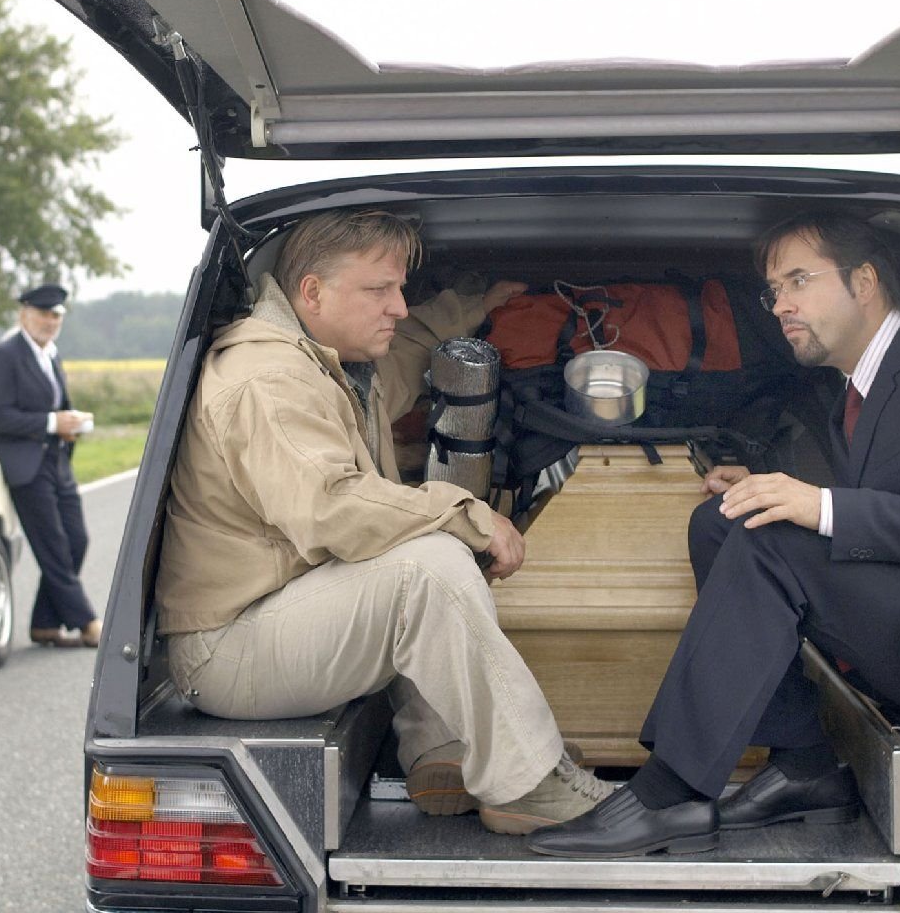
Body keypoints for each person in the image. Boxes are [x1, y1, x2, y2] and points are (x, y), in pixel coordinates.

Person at [529, 213, 900, 858]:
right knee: (731, 518)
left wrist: (816, 505)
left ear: (864, 282)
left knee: (772, 536)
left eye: (797, 281)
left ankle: (668, 791)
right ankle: (805, 765)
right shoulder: (871, 379)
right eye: (773, 290)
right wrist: (775, 486)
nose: (779, 305)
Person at [155, 208, 613, 835]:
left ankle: (443, 754)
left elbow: (413, 347)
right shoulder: (268, 377)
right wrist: (467, 515)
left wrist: (482, 301)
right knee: (427, 567)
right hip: (229, 648)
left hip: (274, 618)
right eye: (379, 290)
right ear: (312, 292)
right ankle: (526, 783)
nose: (397, 306)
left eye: (399, 288)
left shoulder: (333, 364)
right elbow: (329, 508)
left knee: (414, 548)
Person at [0, 283, 102, 649]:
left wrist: (71, 425)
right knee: (52, 545)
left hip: (56, 460)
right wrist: (53, 422)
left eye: (56, 316)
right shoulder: (5, 355)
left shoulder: (51, 356)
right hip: (25, 466)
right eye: (43, 314)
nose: (50, 322)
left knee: (76, 539)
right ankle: (86, 621)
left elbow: (57, 404)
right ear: (24, 315)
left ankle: (44, 624)